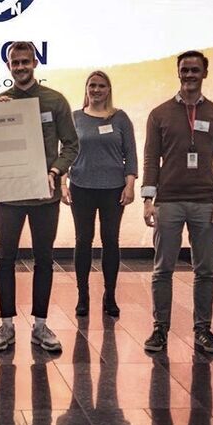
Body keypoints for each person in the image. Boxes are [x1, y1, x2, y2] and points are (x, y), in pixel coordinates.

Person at [0, 41, 79, 353]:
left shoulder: (55, 100)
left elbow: (71, 145)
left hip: (45, 196)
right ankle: (6, 326)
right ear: (8, 66)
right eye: (15, 62)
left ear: (35, 63)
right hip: (8, 196)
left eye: (25, 61)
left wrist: (56, 171)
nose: (21, 67)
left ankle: (41, 326)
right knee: (5, 259)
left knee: (44, 259)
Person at [141, 50, 213, 355]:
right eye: (185, 69)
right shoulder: (159, 114)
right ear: (178, 73)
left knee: (205, 271)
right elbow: (151, 159)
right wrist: (148, 200)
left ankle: (203, 330)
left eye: (195, 70)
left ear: (204, 73)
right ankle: (160, 329)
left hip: (205, 202)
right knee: (162, 270)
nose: (189, 75)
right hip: (168, 202)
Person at [62, 71, 137, 317]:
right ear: (86, 88)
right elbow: (66, 153)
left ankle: (110, 295)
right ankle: (82, 295)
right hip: (81, 186)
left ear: (108, 89)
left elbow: (131, 154)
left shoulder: (120, 118)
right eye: (92, 85)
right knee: (83, 240)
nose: (96, 90)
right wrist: (62, 183)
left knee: (110, 241)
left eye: (101, 86)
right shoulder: (75, 118)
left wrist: (130, 185)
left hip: (113, 189)